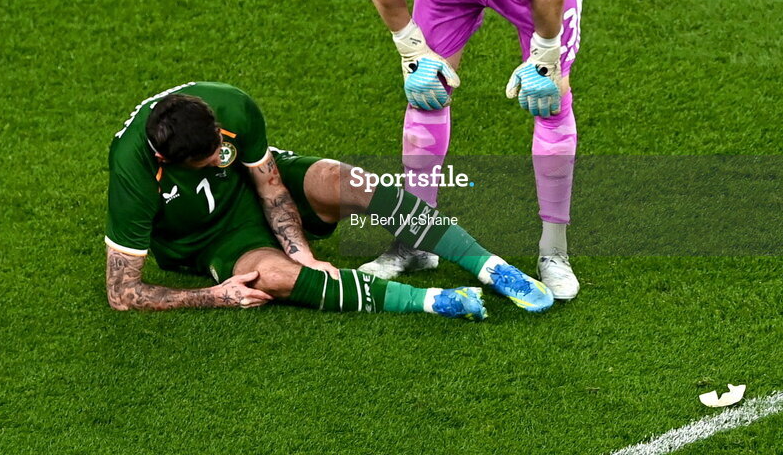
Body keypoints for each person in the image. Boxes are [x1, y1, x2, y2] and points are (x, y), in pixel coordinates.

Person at [105, 81, 554, 318]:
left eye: (220, 150)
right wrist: (214, 296)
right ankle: (433, 301)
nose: (220, 160)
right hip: (212, 240)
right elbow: (123, 293)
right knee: (275, 277)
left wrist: (304, 253)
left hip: (258, 191)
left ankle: (490, 265)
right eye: (207, 161)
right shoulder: (133, 173)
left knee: (344, 178)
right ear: (167, 158)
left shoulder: (228, 107)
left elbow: (269, 184)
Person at [357, 0, 582, 300]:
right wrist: (412, 50)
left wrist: (545, 58)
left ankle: (554, 251)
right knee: (426, 91)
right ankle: (417, 241)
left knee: (550, 99)